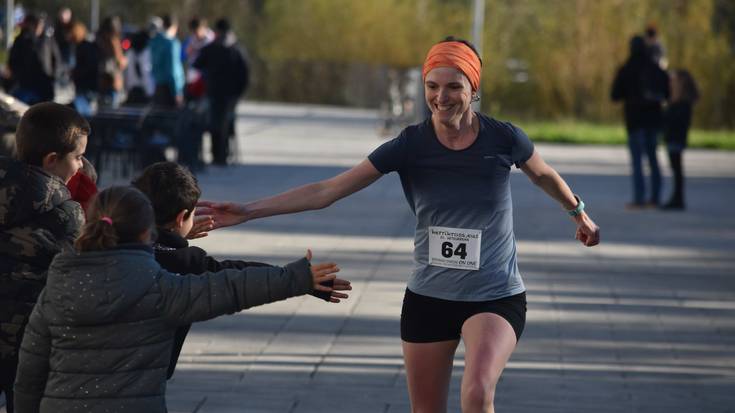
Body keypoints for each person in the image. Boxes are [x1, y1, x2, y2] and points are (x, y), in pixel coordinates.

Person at [197, 37, 601, 412]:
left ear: (474, 88)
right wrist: (248, 211)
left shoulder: (503, 138)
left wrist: (577, 212)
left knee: (477, 393)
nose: (441, 97)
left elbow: (543, 174)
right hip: (429, 297)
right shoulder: (410, 144)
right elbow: (327, 190)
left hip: (494, 294)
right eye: (432, 86)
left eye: (454, 86)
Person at [13, 185, 343, 412]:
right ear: (147, 234)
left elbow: (29, 370)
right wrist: (296, 278)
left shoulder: (57, 286)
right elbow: (230, 287)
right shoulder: (160, 288)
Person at [131, 161, 351, 378]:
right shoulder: (186, 262)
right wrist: (300, 279)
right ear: (181, 217)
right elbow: (238, 277)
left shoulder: (110, 246)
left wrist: (174, 234)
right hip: (144, 383)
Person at [0, 102, 89, 413]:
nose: (81, 166)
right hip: (29, 343)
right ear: (52, 160)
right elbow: (74, 277)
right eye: (78, 158)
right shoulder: (67, 215)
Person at [611, 35, 670, 209]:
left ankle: (639, 199)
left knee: (637, 162)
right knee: (653, 159)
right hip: (653, 120)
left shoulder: (626, 69)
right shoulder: (657, 69)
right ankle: (655, 198)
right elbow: (667, 93)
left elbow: (615, 95)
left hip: (634, 121)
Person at [193, 18, 250, 165]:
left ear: (217, 31)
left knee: (214, 124)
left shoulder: (212, 48)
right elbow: (245, 74)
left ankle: (216, 155)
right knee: (225, 124)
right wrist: (238, 94)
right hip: (230, 96)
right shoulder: (237, 49)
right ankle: (223, 155)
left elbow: (197, 63)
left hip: (213, 93)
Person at [662, 69, 699, 210]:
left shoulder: (682, 102)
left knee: (677, 169)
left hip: (676, 138)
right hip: (673, 137)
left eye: (673, 81)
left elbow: (676, 121)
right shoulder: (676, 100)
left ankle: (678, 199)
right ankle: (677, 198)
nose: (671, 83)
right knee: (676, 169)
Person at [7, 14, 62, 104]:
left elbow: (56, 59)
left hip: (45, 83)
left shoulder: (48, 40)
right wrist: (18, 75)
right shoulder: (22, 39)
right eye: (35, 24)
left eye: (40, 24)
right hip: (26, 83)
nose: (37, 27)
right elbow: (13, 60)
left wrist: (54, 75)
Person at [149, 14, 185, 108]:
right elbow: (172, 70)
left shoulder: (154, 42)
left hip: (158, 87)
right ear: (174, 26)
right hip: (169, 90)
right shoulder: (172, 43)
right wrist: (177, 92)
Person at [96, 16, 127, 108]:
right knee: (112, 111)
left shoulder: (99, 39)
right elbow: (120, 61)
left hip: (101, 80)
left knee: (102, 109)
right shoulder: (113, 40)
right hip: (113, 79)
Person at [68, 21, 99, 115]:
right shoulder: (86, 46)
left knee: (85, 113)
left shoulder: (83, 47)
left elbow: (87, 67)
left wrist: (75, 73)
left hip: (85, 85)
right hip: (88, 85)